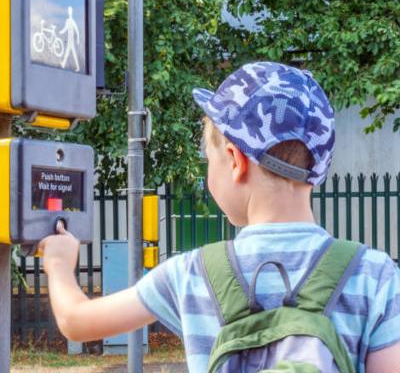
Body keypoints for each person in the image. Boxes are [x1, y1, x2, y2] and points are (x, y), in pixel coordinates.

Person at [40, 62, 400, 373]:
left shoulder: (192, 273)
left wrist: (58, 263)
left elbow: (76, 321)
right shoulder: (374, 274)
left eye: (206, 156)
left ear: (235, 160)